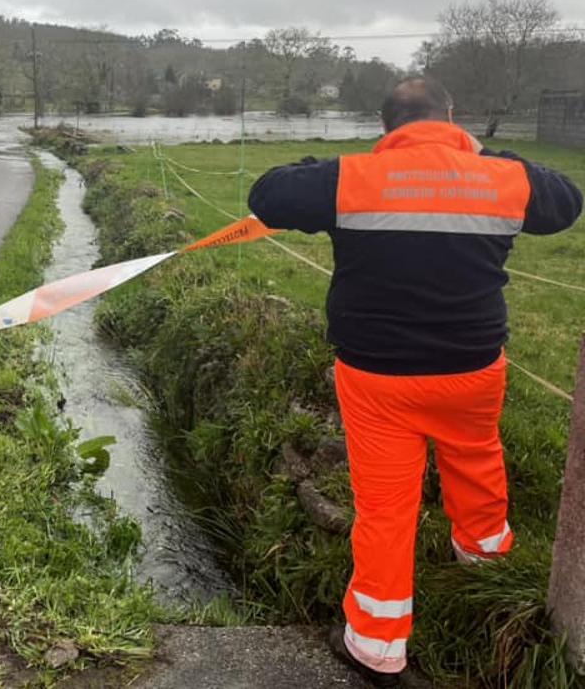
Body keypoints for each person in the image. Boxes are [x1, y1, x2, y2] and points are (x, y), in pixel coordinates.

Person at [247, 78, 582, 687]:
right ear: (452, 117)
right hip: (473, 367)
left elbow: (266, 195)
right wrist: (491, 160)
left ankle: (375, 645)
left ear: (386, 128)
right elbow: (567, 201)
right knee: (476, 456)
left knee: (384, 506)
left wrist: (320, 166)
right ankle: (483, 557)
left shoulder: (349, 178)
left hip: (377, 376)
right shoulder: (502, 178)